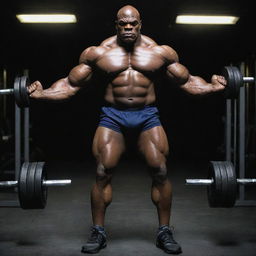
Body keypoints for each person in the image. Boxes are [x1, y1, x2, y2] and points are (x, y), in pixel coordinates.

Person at [28, 5, 227, 255]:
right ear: (117, 24)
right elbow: (70, 84)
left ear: (140, 23)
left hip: (147, 116)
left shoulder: (160, 52)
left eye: (133, 23)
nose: (128, 28)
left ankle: (164, 231)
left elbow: (186, 81)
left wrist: (212, 86)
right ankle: (98, 232)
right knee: (102, 171)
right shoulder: (98, 53)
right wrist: (42, 93)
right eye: (123, 24)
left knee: (160, 170)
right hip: (113, 116)